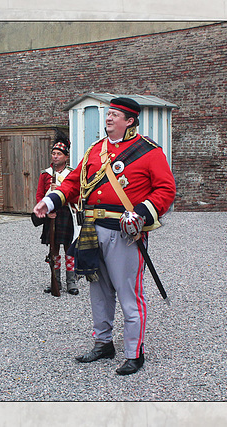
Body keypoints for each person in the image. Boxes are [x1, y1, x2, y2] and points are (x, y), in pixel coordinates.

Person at [33, 97, 176, 375]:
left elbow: (165, 190)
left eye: (114, 115)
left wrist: (141, 213)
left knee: (128, 295)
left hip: (124, 233)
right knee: (98, 292)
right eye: (108, 114)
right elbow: (74, 182)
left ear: (130, 120)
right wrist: (50, 202)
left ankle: (135, 353)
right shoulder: (95, 150)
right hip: (91, 230)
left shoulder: (148, 151)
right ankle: (103, 343)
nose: (108, 118)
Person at [36, 130, 79, 295]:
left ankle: (71, 283)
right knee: (53, 250)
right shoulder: (45, 175)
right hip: (51, 215)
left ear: (66, 157)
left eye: (59, 154)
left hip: (67, 214)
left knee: (69, 249)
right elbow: (40, 196)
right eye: (53, 153)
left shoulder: (72, 174)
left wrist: (61, 191)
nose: (55, 156)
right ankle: (56, 281)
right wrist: (46, 212)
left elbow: (77, 195)